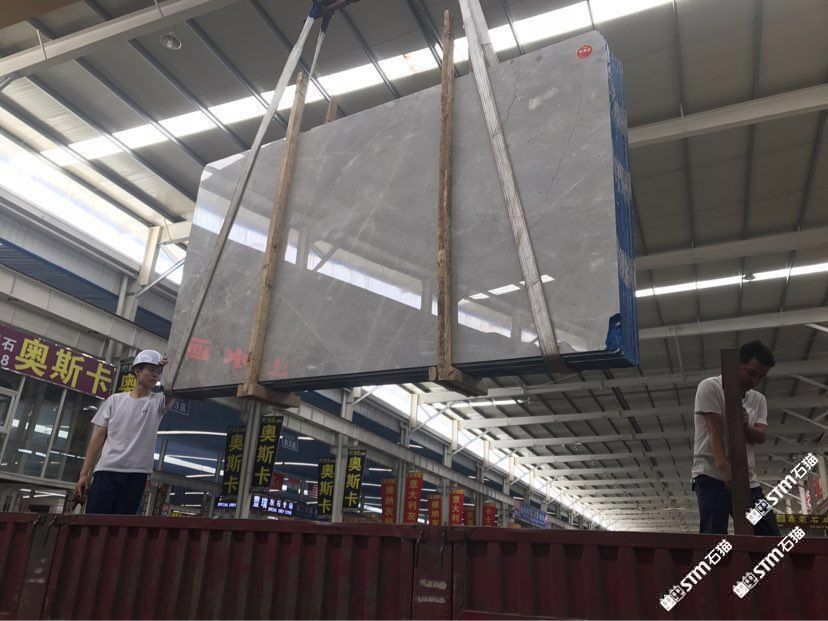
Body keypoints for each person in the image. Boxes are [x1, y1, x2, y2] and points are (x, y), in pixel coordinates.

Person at [691, 340, 781, 536]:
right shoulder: (710, 387)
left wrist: (746, 425)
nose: (755, 380)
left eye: (761, 376)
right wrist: (724, 468)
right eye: (751, 372)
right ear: (737, 365)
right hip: (711, 474)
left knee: (769, 533)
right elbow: (714, 431)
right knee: (714, 534)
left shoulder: (758, 400)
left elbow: (760, 436)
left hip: (748, 481)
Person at [75, 350, 175, 514]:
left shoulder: (158, 402)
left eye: (158, 372)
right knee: (94, 520)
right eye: (151, 370)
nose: (155, 375)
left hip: (137, 473)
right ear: (137, 371)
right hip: (106, 470)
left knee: (121, 525)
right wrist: (84, 474)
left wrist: (170, 367)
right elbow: (98, 438)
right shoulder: (114, 400)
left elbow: (174, 387)